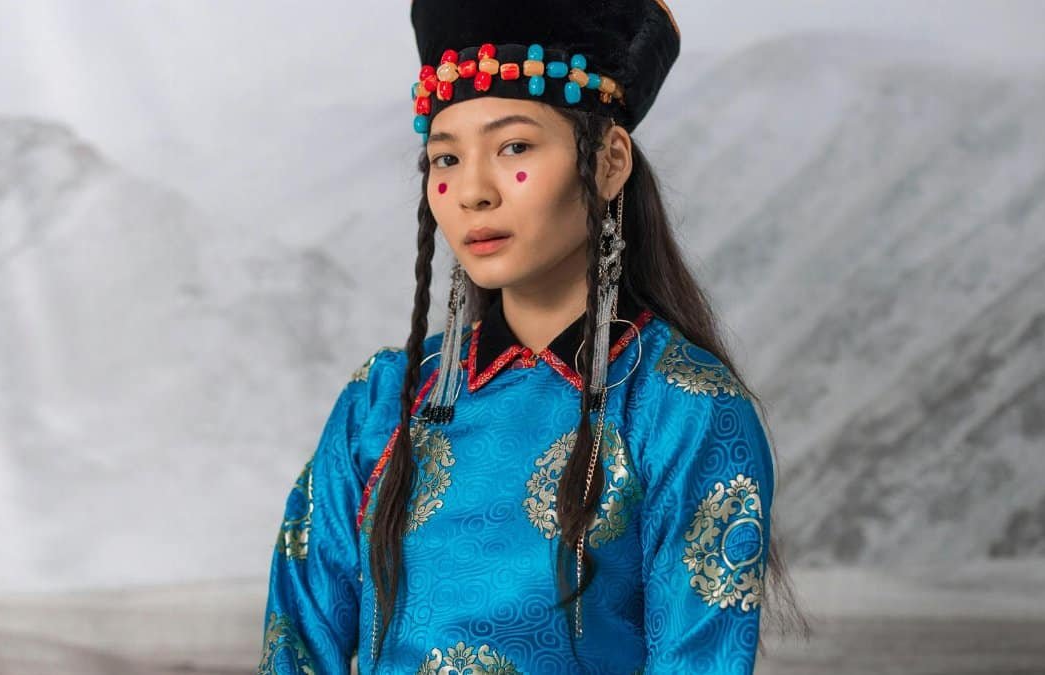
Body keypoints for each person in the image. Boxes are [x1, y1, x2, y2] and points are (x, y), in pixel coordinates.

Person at [258, 1, 809, 673]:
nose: (473, 191)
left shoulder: (684, 408)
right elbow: (295, 646)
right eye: (446, 158)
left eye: (513, 146)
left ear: (609, 161)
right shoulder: (380, 405)